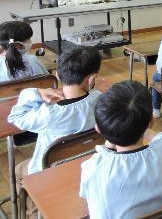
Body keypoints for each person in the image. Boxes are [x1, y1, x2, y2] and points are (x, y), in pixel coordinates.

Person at [9, 46, 102, 218]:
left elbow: (15, 116)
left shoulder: (48, 114)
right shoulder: (99, 99)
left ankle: (34, 212)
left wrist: (36, 92)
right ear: (92, 78)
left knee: (19, 169)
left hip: (50, 173)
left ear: (58, 75)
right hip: (88, 163)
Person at [80, 81, 162, 219]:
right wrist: (147, 131)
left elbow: (85, 194)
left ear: (98, 129)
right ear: (151, 122)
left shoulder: (92, 168)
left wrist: (109, 144)